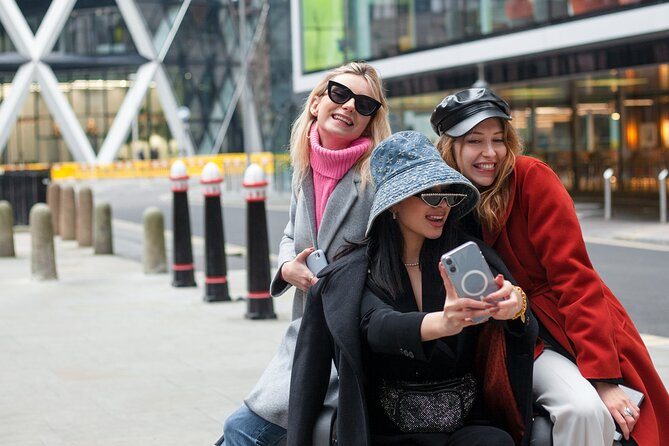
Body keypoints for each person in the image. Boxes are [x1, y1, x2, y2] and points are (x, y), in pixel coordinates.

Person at [431, 87, 669, 445]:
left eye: (498, 139)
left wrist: (603, 378)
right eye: (474, 141)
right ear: (451, 147)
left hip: (564, 329)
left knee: (584, 409)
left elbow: (575, 280)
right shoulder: (441, 196)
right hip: (496, 340)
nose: (490, 153)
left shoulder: (531, 178)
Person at [288, 131, 537, 445]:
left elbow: (517, 331)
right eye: (430, 195)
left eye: (449, 195)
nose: (443, 205)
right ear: (394, 203)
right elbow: (377, 325)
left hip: (470, 423)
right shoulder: (352, 273)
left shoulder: (471, 256)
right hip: (389, 432)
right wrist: (442, 323)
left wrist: (515, 306)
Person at [216, 61, 391, 445]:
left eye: (363, 105)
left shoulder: (376, 177)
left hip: (347, 341)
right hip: (306, 335)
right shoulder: (305, 169)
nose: (348, 107)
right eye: (340, 94)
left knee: (241, 431)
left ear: (369, 121)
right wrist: (286, 267)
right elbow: (289, 234)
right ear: (316, 103)